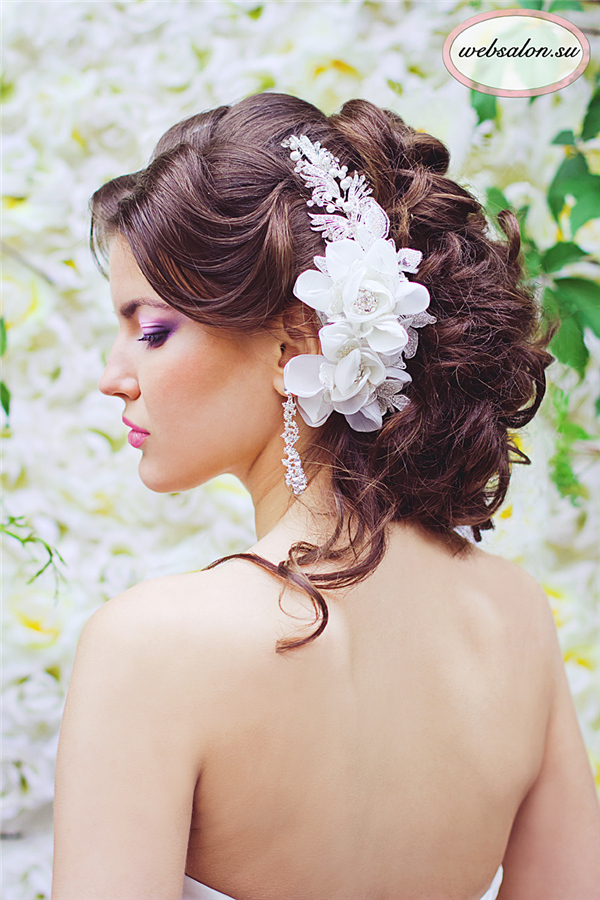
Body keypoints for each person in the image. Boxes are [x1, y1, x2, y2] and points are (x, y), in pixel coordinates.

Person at [51, 92, 599, 900]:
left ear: (298, 342)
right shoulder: (515, 617)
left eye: (154, 329)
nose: (113, 376)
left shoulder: (149, 649)